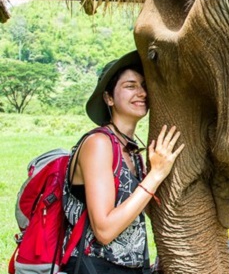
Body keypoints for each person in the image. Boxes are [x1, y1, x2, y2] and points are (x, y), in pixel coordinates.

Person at [61, 50, 184, 274]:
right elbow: (104, 230)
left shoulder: (132, 150)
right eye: (130, 86)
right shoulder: (98, 144)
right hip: (94, 267)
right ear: (109, 98)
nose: (142, 92)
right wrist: (155, 175)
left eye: (144, 85)